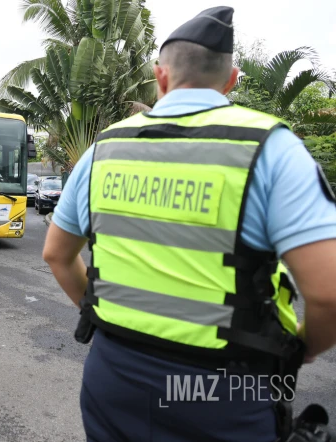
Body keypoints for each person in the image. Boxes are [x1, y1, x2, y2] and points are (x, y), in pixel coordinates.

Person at [43, 6, 336, 442]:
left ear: (160, 78)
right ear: (231, 79)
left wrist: (106, 317)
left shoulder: (104, 150)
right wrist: (297, 352)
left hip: (113, 376)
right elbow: (328, 294)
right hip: (222, 391)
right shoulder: (270, 148)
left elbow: (56, 255)